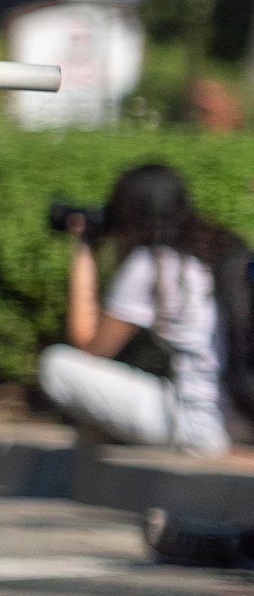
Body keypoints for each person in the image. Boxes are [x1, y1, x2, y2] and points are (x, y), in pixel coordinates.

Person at [40, 164, 235, 456]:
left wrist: (84, 250)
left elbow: (89, 345)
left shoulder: (153, 264)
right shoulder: (215, 253)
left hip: (195, 426)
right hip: (233, 419)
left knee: (56, 364)